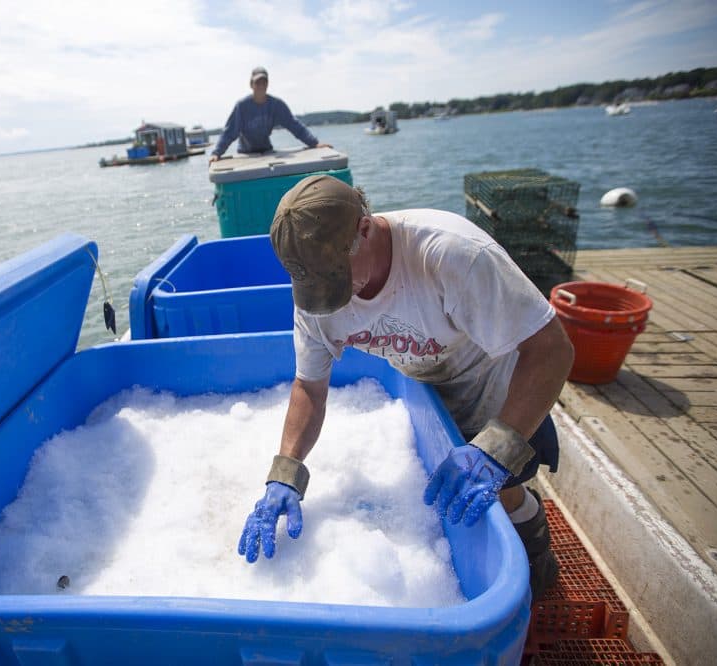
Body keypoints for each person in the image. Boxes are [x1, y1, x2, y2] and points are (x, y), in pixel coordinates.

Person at [237, 175, 575, 601]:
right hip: (429, 391)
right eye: (317, 285)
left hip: (499, 393)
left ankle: (538, 554)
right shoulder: (316, 290)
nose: (334, 298)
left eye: (338, 277)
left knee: (504, 494)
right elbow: (309, 387)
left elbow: (552, 350)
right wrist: (285, 472)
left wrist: (497, 446)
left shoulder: (451, 255)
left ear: (365, 228)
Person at [209, 67, 331, 163]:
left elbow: (294, 125)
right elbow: (230, 132)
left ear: (268, 84)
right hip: (245, 154)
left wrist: (315, 143)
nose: (261, 86)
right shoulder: (242, 106)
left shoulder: (276, 105)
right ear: (251, 84)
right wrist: (216, 153)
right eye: (257, 82)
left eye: (264, 82)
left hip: (267, 151)